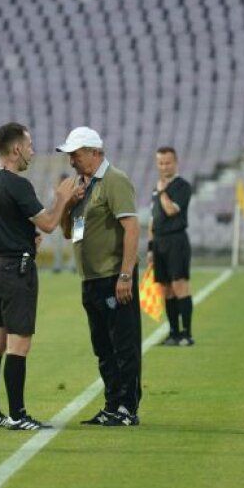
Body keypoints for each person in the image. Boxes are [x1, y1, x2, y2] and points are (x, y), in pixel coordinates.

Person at [0, 123, 79, 430]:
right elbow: (47, 223)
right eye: (29, 145)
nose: (32, 150)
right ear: (16, 149)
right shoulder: (18, 184)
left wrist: (12, 238)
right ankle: (17, 416)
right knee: (19, 345)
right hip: (15, 271)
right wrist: (62, 198)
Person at [57, 126, 143, 427]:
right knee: (103, 348)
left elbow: (132, 228)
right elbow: (68, 232)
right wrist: (67, 202)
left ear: (95, 153)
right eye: (70, 155)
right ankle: (111, 405)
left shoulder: (114, 180)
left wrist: (125, 275)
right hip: (90, 279)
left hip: (112, 277)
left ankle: (127, 409)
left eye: (76, 155)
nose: (71, 161)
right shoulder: (80, 185)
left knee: (124, 345)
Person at [148, 147, 195, 346]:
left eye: (168, 162)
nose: (164, 166)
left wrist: (161, 192)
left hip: (176, 240)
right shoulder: (156, 188)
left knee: (179, 285)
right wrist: (150, 247)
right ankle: (173, 332)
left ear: (175, 163)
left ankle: (187, 334)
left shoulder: (182, 186)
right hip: (159, 242)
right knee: (165, 288)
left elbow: (170, 211)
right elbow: (153, 219)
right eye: (160, 163)